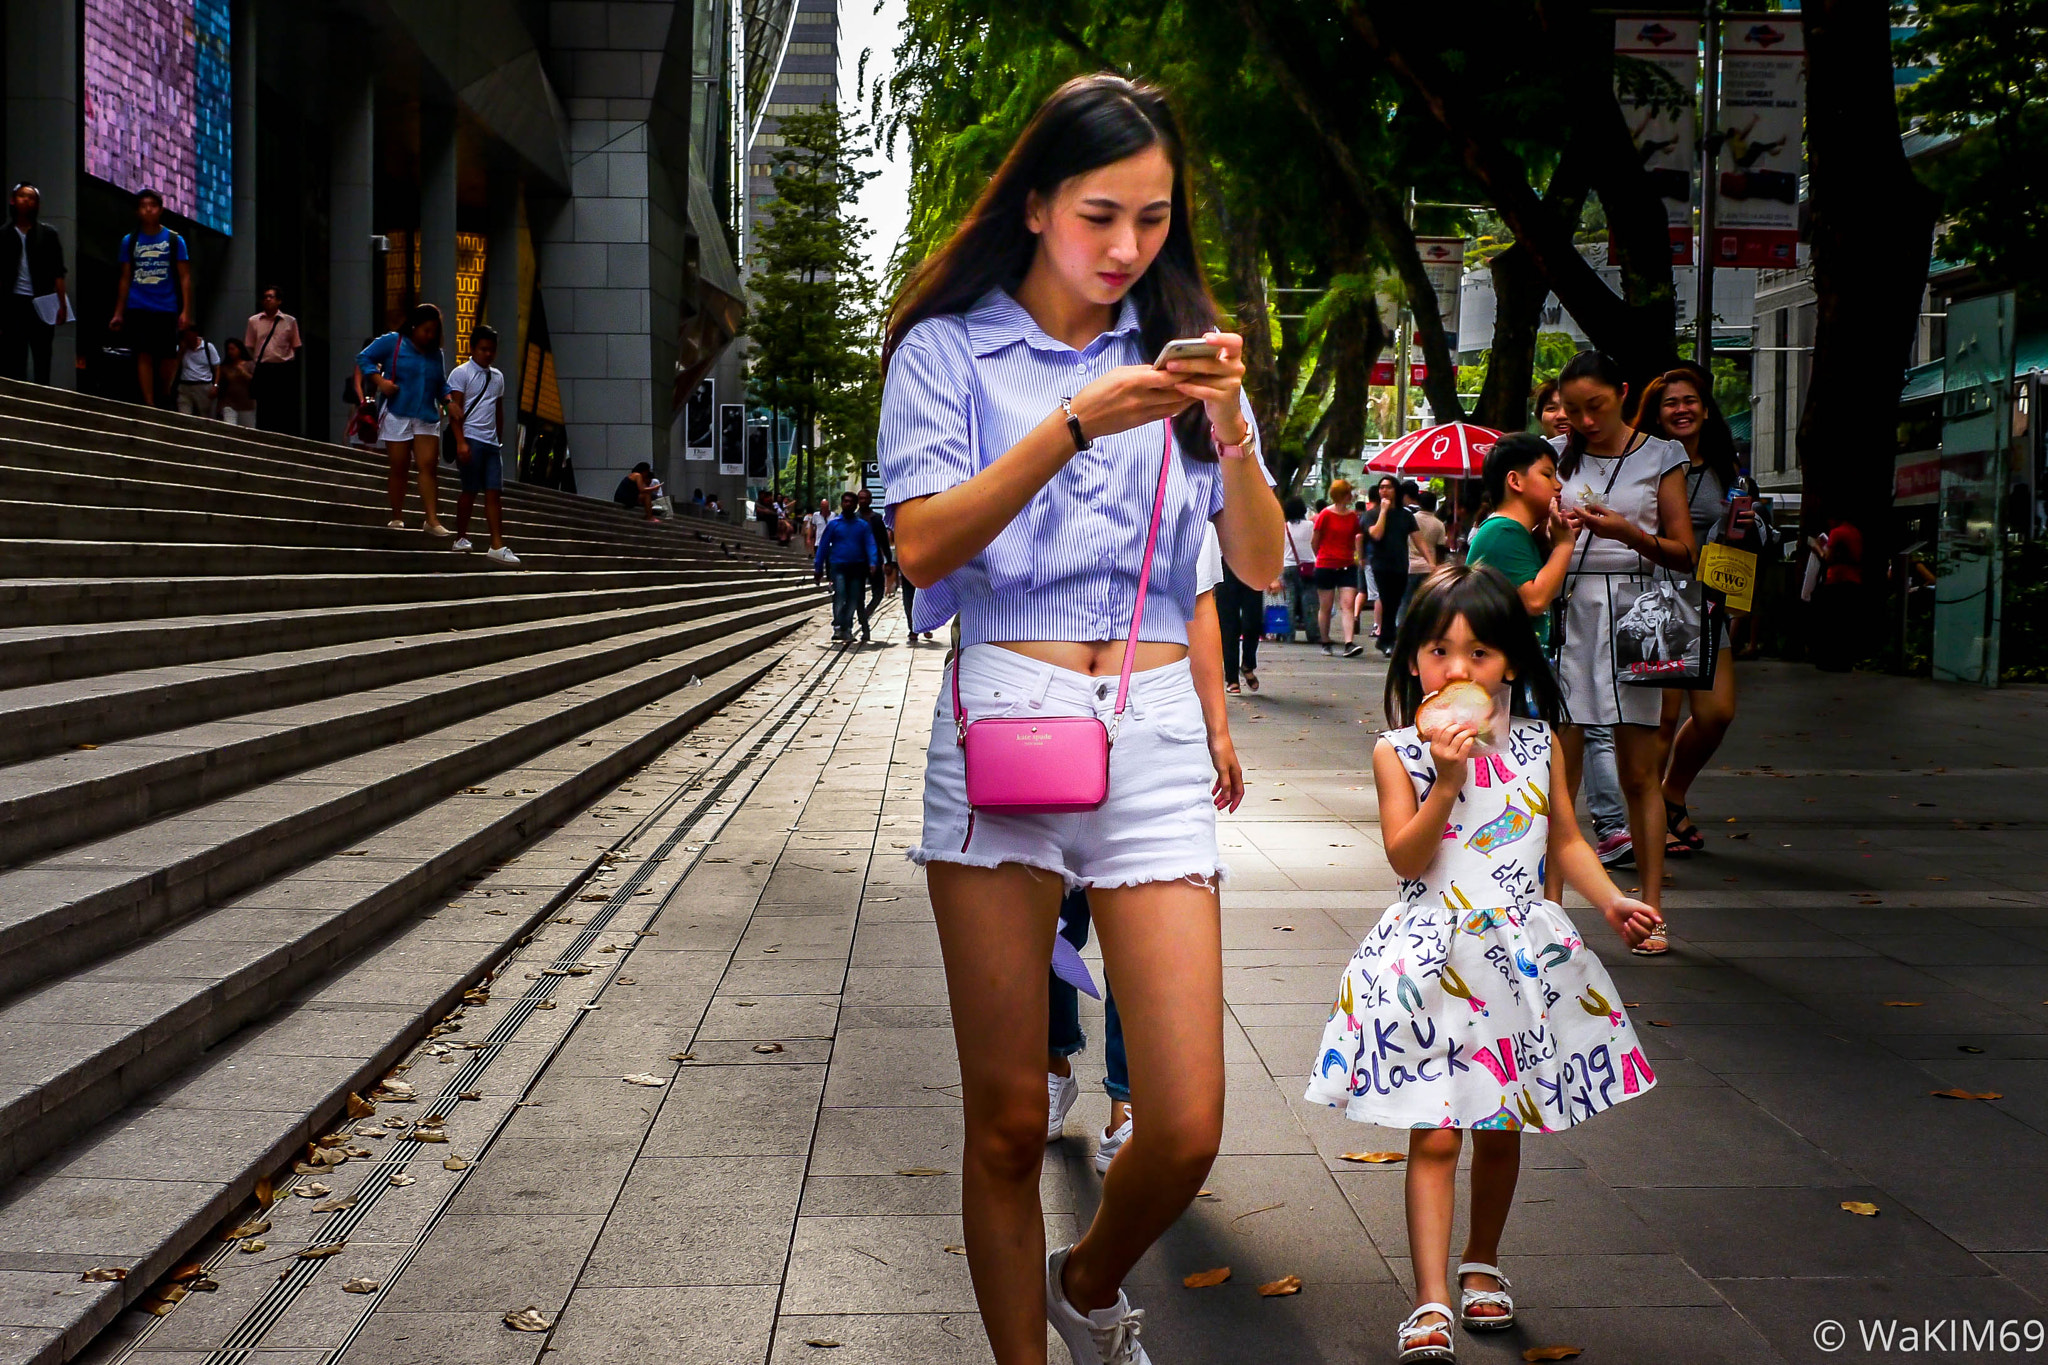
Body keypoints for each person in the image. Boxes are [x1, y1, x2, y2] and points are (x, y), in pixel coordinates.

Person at [879, 73, 1283, 1365]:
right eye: (1103, 214)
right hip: (1009, 711)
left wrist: (1229, 421)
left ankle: (1090, 1275)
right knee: (1004, 1119)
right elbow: (922, 543)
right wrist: (1071, 423)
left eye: (1154, 220)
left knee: (1185, 1123)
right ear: (1039, 201)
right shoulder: (949, 351)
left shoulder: (1181, 352)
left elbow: (1263, 566)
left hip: (1155, 723)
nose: (1127, 249)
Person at [1305, 564, 1662, 1364]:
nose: (1458, 669)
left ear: (1510, 663)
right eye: (1438, 650)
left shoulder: (1539, 745)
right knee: (1435, 1134)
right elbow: (1405, 853)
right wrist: (1449, 778)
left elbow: (1565, 839)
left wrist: (1611, 901)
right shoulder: (1398, 752)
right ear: (1412, 663)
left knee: (1502, 1127)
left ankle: (1482, 1261)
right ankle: (1430, 1297)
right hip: (1433, 961)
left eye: (1479, 652)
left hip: (1517, 965)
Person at [1049, 521, 1243, 1167]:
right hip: (1039, 732)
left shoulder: (1178, 468)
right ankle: (1052, 1062)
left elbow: (1201, 606)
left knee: (1144, 948)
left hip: (1146, 741)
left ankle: (1125, 1105)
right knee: (1047, 933)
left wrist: (1218, 731)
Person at [1548, 351, 1696, 953]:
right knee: (1563, 772)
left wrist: (1627, 533)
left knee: (1640, 771)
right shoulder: (1554, 454)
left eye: (1596, 407)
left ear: (1623, 393)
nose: (1583, 420)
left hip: (1641, 612)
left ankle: (1651, 912)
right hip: (1571, 610)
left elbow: (1685, 551)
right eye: (1573, 410)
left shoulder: (1663, 456)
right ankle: (1549, 914)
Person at [1635, 367, 1755, 857]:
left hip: (1707, 601)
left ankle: (1672, 794)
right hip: (1657, 601)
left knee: (1717, 713)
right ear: (1656, 414)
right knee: (1659, 722)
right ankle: (1646, 820)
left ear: (1705, 409)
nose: (1681, 409)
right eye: (1670, 403)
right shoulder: (1644, 463)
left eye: (1690, 400)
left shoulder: (1730, 469)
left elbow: (1754, 539)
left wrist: (1750, 527)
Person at [1534, 379, 1633, 868]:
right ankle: (1557, 835)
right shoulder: (1545, 465)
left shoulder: (1646, 455)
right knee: (1569, 724)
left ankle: (1609, 827)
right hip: (1554, 619)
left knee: (1591, 726)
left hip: (1598, 611)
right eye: (1557, 408)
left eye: (1573, 408)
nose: (1566, 417)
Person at [357, 304, 453, 536]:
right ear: (414, 327)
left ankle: (432, 519)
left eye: (433, 332)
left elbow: (441, 383)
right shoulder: (394, 341)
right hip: (398, 411)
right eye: (425, 330)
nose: (429, 336)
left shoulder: (435, 354)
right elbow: (364, 357)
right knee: (399, 466)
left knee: (428, 465)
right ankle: (397, 516)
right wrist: (381, 383)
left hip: (426, 415)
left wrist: (449, 402)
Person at [109, 189, 191, 408]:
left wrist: (186, 311)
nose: (148, 209)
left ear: (160, 209)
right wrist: (119, 312)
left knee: (167, 356)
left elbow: (184, 276)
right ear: (138, 211)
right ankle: (149, 403)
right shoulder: (130, 240)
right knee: (143, 352)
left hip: (166, 305)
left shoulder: (175, 240)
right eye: (144, 205)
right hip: (138, 304)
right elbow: (125, 277)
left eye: (153, 205)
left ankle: (163, 391)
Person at [446, 323, 518, 565]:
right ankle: (461, 536)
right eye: (483, 349)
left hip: (490, 443)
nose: (488, 354)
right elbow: (455, 411)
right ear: (473, 348)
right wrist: (460, 442)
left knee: (494, 493)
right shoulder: (461, 373)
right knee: (469, 490)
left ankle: (497, 544)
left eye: (492, 350)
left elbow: (498, 409)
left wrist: (499, 437)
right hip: (471, 439)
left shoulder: (498, 377)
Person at [1, 183, 68, 384]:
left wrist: (62, 304)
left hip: (42, 302)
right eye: (22, 196)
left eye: (31, 198)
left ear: (37, 204)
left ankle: (43, 401)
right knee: (14, 356)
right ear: (13, 200)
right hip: (13, 302)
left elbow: (58, 271)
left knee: (43, 355)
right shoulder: (3, 234)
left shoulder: (48, 234)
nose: (26, 200)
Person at [1364, 474, 1419, 655]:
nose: (1384, 491)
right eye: (1381, 488)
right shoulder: (1371, 515)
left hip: (1401, 565)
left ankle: (1385, 639)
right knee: (1387, 601)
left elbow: (1418, 539)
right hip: (1380, 565)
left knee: (1395, 602)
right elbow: (1376, 534)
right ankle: (1388, 640)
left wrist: (1431, 561)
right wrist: (1383, 512)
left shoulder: (1406, 515)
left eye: (1388, 487)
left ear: (1396, 490)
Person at [813, 490, 877, 642]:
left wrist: (873, 562)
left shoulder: (862, 526)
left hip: (857, 567)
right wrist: (818, 567)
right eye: (845, 501)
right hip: (838, 566)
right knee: (840, 595)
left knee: (854, 598)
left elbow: (870, 544)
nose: (848, 504)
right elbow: (823, 546)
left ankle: (846, 626)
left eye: (851, 502)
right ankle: (838, 627)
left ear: (855, 505)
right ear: (842, 504)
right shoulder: (834, 525)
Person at [1312, 479, 1364, 657]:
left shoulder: (1352, 517)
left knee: (1348, 605)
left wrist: (1358, 556)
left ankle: (1349, 642)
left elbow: (1356, 537)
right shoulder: (1325, 515)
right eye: (1349, 493)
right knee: (1325, 606)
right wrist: (1321, 555)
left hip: (1347, 565)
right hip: (1326, 565)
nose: (1351, 496)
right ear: (1342, 495)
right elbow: (1316, 540)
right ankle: (1325, 640)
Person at [244, 286, 304, 435]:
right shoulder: (254, 321)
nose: (268, 299)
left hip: (283, 367)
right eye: (265, 297)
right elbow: (250, 345)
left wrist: (282, 356)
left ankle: (283, 435)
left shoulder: (290, 321)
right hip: (264, 366)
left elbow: (295, 345)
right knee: (264, 405)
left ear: (279, 301)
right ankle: (263, 434)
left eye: (271, 297)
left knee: (283, 404)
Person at [1811, 514, 1864, 673]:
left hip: (1837, 579)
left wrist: (1817, 548)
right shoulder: (1855, 532)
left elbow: (1827, 557)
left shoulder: (1837, 532)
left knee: (1833, 623)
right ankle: (1845, 661)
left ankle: (1830, 661)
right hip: (1854, 579)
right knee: (1846, 624)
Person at [1280, 494, 1319, 644]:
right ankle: (1312, 634)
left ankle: (1288, 635)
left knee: (1289, 601)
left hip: (1288, 566)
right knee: (1309, 601)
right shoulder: (1310, 526)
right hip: (1308, 566)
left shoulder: (1283, 527)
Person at [1406, 485, 1447, 618]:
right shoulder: (1439, 524)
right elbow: (1441, 549)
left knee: (1406, 602)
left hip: (1410, 567)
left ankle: (1401, 628)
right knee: (1426, 603)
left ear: (1418, 503)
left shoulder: (1411, 519)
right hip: (1430, 568)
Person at [857, 488, 893, 626]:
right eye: (861, 498)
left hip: (875, 560)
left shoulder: (877, 519)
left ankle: (867, 612)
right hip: (858, 561)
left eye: (866, 498)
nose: (863, 501)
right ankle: (862, 617)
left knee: (878, 592)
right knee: (858, 593)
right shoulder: (855, 518)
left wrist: (888, 560)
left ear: (870, 500)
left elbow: (884, 541)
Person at [172, 324, 219, 417]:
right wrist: (181, 351)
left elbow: (217, 367)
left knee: (204, 415)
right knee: (184, 415)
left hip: (203, 385)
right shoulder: (181, 349)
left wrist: (216, 385)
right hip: (185, 385)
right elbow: (175, 365)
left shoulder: (207, 347)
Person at [216, 337, 257, 426]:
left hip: (246, 404)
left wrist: (243, 372)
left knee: (248, 430)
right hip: (229, 403)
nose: (230, 352)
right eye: (228, 349)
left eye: (233, 349)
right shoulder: (225, 367)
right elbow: (221, 387)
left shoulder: (249, 364)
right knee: (230, 428)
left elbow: (254, 381)